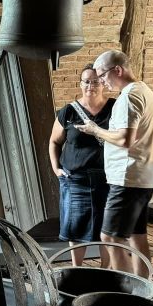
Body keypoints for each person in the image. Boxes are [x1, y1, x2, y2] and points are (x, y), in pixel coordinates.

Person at [75, 50, 153, 277]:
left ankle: (123, 292)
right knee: (136, 235)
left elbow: (124, 139)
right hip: (143, 175)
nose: (100, 81)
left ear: (118, 70)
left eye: (102, 75)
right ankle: (145, 288)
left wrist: (95, 130)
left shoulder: (128, 97)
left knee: (110, 237)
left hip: (128, 177)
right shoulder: (144, 90)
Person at [48, 66, 115, 265]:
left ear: (103, 83)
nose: (90, 85)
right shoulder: (68, 111)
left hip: (107, 178)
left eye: (95, 81)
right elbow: (54, 142)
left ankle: (106, 271)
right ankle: (77, 269)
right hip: (75, 179)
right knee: (75, 228)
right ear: (80, 84)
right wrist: (56, 169)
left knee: (107, 228)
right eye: (86, 81)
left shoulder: (115, 108)